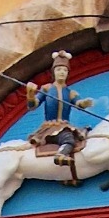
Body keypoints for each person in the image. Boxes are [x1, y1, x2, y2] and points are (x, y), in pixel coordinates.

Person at [26, 51, 92, 180]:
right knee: (68, 138)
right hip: (50, 128)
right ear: (54, 72)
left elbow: (78, 103)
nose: (62, 72)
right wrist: (30, 94)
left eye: (64, 70)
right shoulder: (46, 89)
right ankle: (60, 155)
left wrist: (84, 103)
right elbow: (33, 105)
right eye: (59, 69)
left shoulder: (70, 92)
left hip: (64, 125)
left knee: (83, 133)